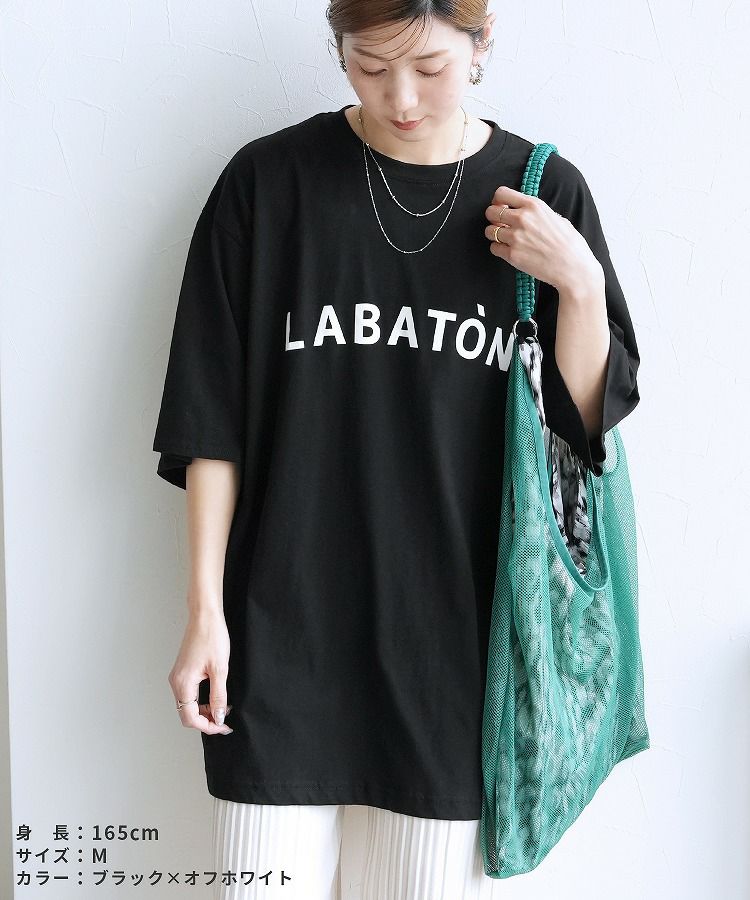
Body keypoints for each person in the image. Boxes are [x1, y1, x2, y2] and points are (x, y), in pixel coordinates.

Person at [153, 2, 641, 898]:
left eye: (429, 68)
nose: (402, 98)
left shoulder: (541, 195)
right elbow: (210, 421)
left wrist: (578, 282)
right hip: (279, 641)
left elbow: (582, 428)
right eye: (369, 67)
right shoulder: (269, 184)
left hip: (455, 658)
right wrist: (205, 612)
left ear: (482, 44)